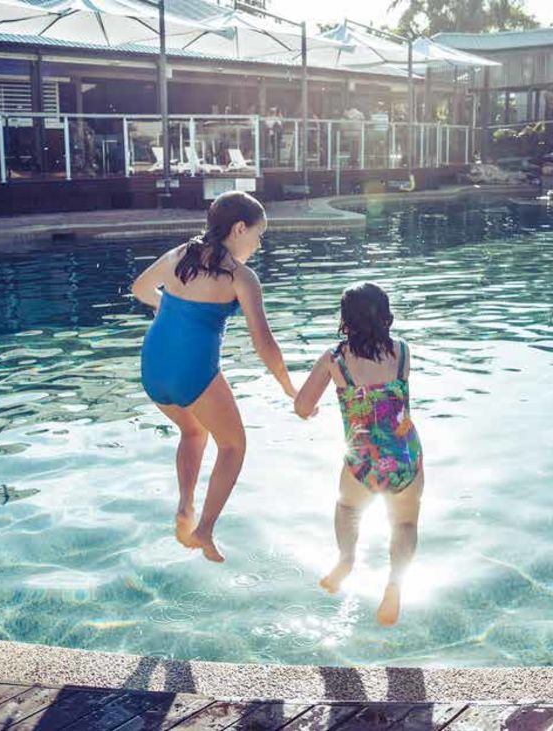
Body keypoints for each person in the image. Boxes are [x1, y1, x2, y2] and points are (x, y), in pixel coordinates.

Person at [132, 191, 296, 563]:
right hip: (192, 371)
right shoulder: (241, 277)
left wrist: (172, 309)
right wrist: (289, 387)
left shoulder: (178, 255)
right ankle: (204, 529)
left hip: (154, 367)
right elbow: (264, 345)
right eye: (258, 235)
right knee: (233, 445)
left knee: (193, 431)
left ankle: (185, 508)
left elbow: (140, 289)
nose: (258, 244)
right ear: (239, 229)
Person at [293, 283, 424, 626]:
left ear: (344, 320)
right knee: (405, 523)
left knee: (349, 508)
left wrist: (312, 410)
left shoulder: (335, 359)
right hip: (405, 454)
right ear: (387, 318)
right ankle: (395, 583)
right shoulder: (403, 352)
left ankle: (347, 559)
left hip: (363, 456)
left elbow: (303, 406)